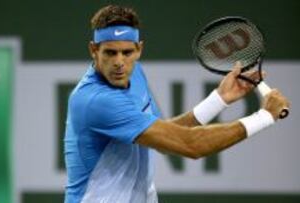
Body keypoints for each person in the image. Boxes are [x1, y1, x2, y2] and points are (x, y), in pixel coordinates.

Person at [64, 5, 290, 203]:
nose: (119, 63)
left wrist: (218, 100)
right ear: (94, 50)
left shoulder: (134, 75)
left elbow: (162, 138)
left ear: (139, 49)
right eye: (110, 53)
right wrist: (265, 116)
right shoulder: (96, 100)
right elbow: (190, 145)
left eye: (127, 52)